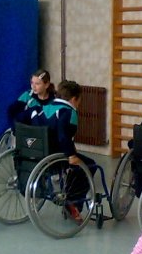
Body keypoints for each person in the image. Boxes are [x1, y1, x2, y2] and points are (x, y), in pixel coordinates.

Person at [26, 80, 93, 223]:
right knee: (90, 165)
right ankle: (73, 202)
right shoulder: (69, 112)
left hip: (38, 153)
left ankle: (67, 191)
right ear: (75, 99)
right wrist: (71, 155)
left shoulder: (44, 107)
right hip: (56, 156)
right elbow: (63, 136)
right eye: (79, 100)